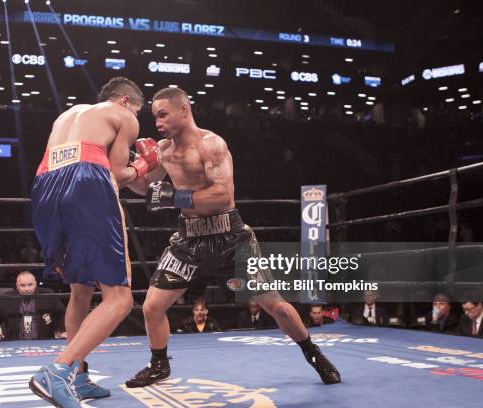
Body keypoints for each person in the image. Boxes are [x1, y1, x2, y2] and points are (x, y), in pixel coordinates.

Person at [125, 87, 340, 388]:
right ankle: (159, 365)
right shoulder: (163, 150)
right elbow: (147, 191)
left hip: (229, 238)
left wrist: (172, 195)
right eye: (154, 116)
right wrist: (135, 167)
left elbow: (222, 195)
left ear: (184, 110)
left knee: (274, 305)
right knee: (151, 306)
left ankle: (314, 354)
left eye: (163, 114)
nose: (157, 122)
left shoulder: (211, 145)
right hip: (189, 241)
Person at [28, 77, 161, 407]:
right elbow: (116, 174)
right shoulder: (124, 115)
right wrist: (145, 163)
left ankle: (79, 375)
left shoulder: (68, 116)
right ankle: (57, 372)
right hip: (86, 184)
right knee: (119, 298)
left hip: (44, 186)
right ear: (127, 101)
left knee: (81, 289)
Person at [0, 271, 66, 340]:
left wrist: (64, 331)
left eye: (30, 285)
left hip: (44, 341)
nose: (27, 289)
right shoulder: (7, 297)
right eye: (23, 285)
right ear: (17, 286)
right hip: (14, 342)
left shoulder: (47, 294)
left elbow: (61, 314)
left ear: (35, 284)